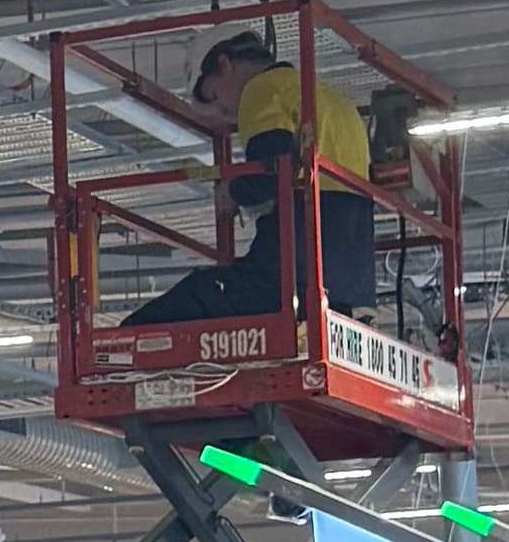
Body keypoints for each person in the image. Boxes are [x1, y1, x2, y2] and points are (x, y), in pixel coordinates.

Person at [126, 23, 376, 326]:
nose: (224, 112)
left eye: (214, 95)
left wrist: (232, 191)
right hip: (347, 279)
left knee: (164, 314)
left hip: (293, 265)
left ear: (224, 64)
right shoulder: (334, 100)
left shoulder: (263, 89)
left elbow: (270, 173)